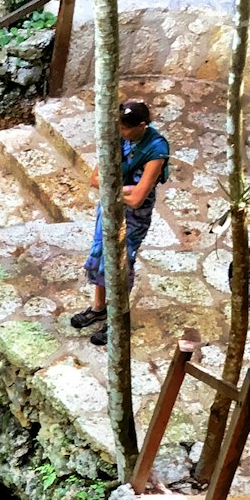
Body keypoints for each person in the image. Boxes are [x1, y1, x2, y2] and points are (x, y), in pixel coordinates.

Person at [71, 99, 170, 347]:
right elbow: (95, 178)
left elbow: (137, 199)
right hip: (109, 208)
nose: (121, 133)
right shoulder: (117, 137)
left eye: (126, 128)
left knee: (121, 263)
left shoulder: (156, 149)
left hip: (133, 218)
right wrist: (122, 189)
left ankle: (117, 318)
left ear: (142, 126)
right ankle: (98, 307)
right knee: (101, 253)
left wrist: (113, 188)